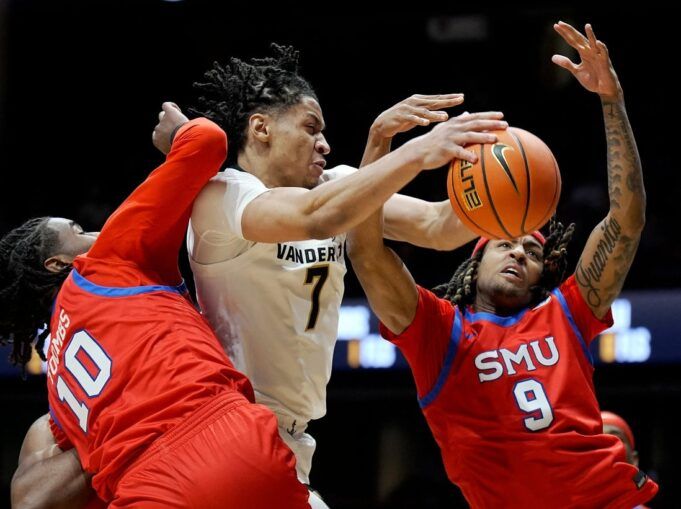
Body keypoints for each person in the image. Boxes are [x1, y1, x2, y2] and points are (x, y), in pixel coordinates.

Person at [346, 21, 658, 508]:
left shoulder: (566, 314)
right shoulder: (438, 332)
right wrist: (379, 142)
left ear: (541, 275)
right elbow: (366, 252)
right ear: (473, 264)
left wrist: (611, 100)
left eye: (532, 252)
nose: (518, 252)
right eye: (505, 244)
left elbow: (627, 219)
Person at [186, 43, 507, 503]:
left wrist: (509, 188)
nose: (324, 143)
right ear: (261, 129)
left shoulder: (334, 186)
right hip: (230, 423)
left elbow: (438, 226)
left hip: (288, 438)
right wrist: (416, 151)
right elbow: (318, 216)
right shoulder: (223, 196)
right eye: (310, 127)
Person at [2, 103, 310, 508]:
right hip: (227, 438)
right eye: (78, 231)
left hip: (147, 486)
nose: (95, 231)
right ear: (58, 264)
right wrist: (176, 134)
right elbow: (207, 140)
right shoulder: (102, 262)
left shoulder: (61, 392)